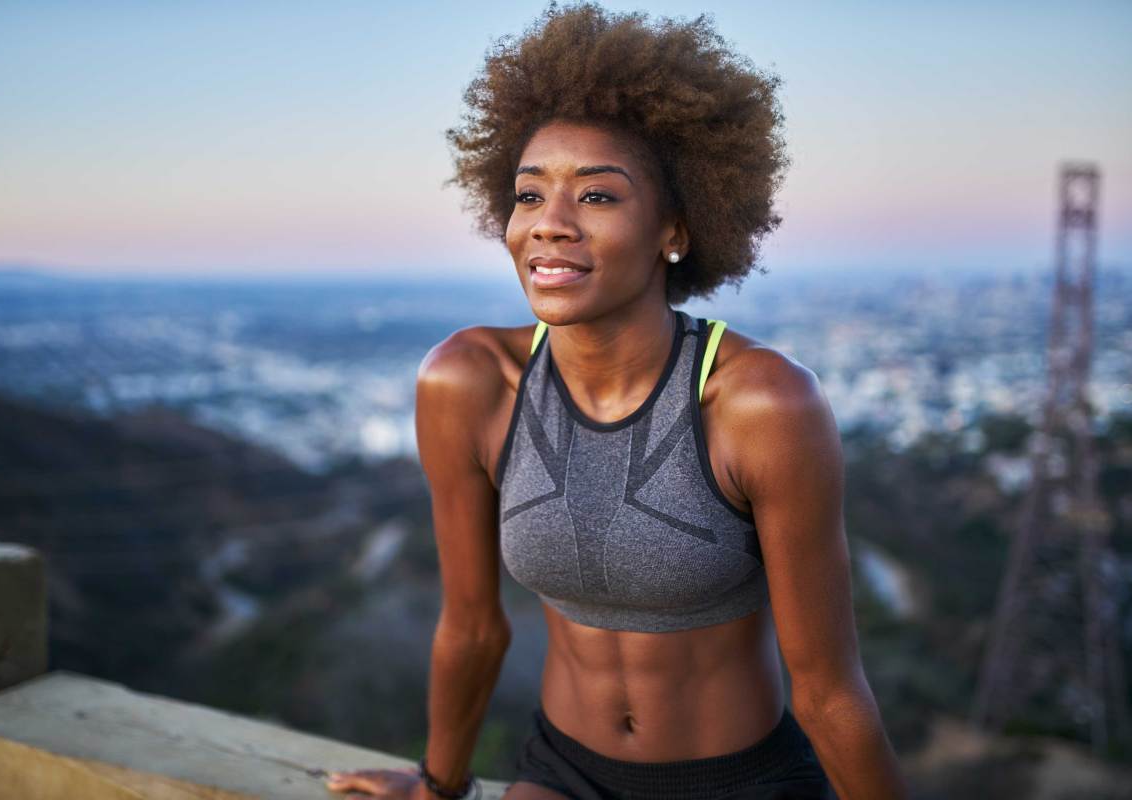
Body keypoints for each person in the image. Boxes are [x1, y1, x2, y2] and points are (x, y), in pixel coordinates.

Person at [328, 2, 908, 798]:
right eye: (530, 196)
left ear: (674, 227)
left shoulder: (761, 403)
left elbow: (830, 691)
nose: (550, 226)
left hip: (739, 782)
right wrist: (437, 783)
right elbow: (470, 624)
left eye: (597, 197)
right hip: (563, 773)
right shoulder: (465, 381)